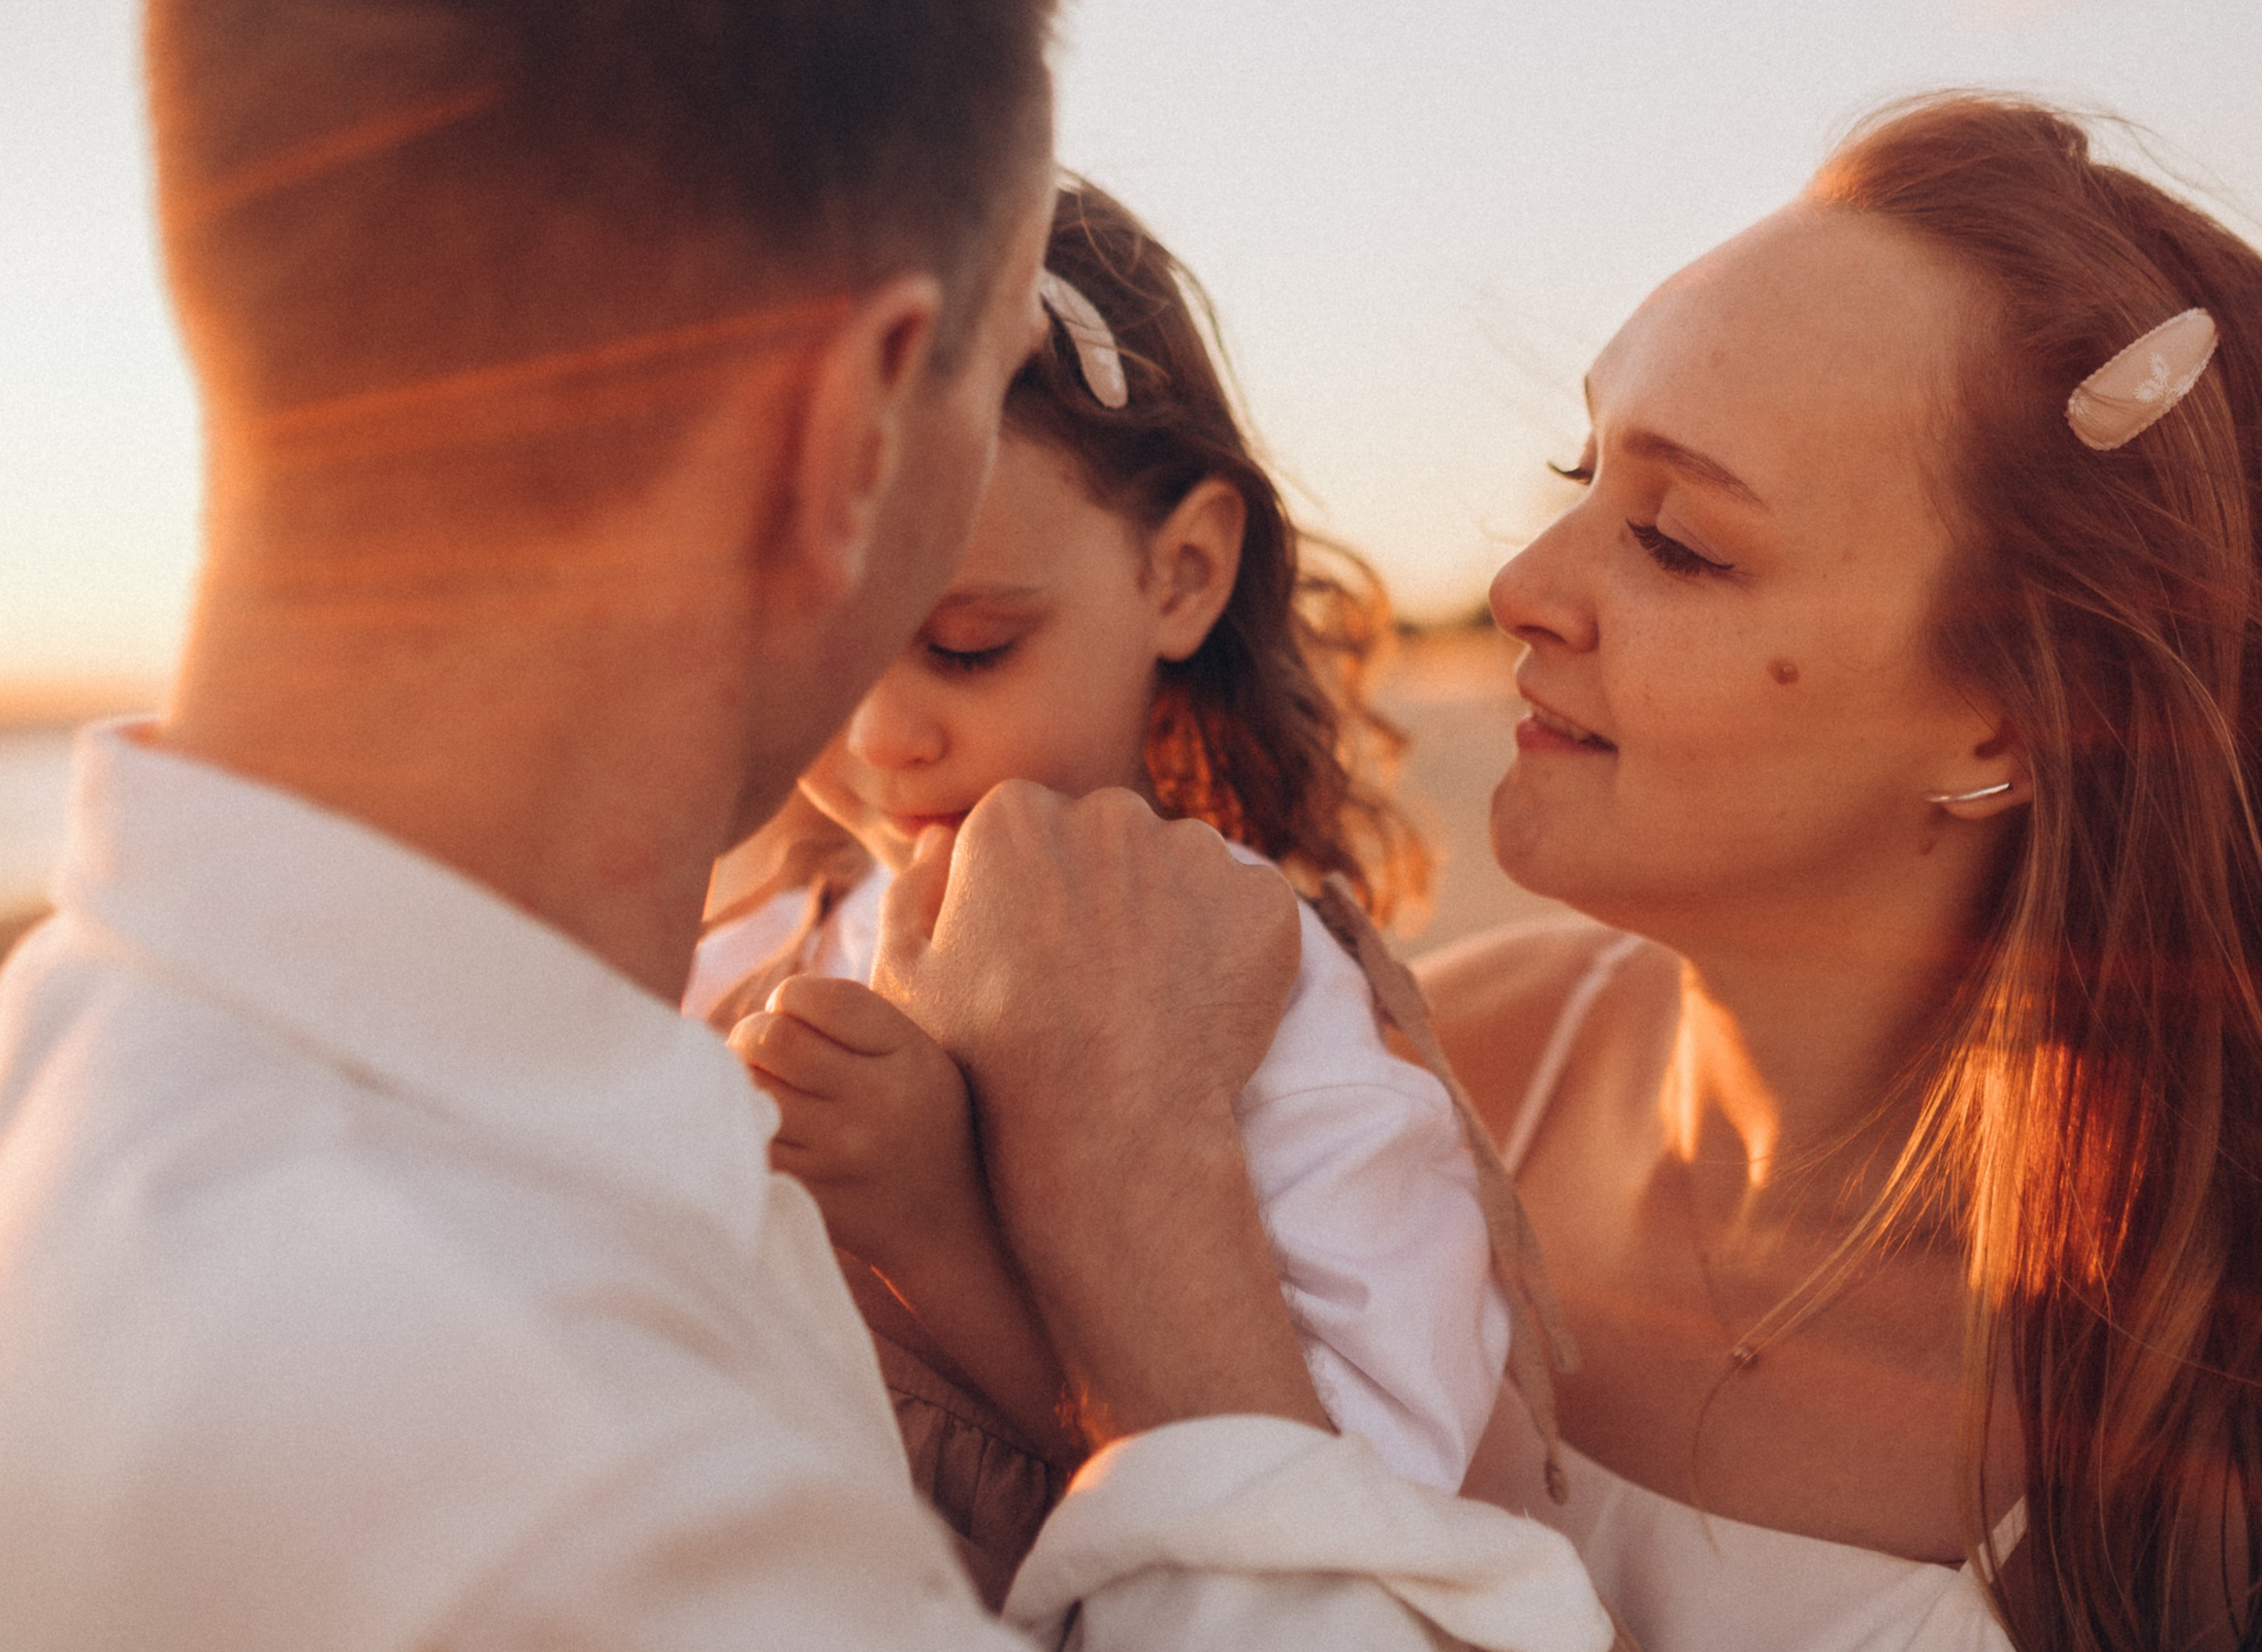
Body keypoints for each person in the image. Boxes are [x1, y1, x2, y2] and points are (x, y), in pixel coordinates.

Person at [0, 4, 1608, 1649]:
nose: (902, 728)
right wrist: (1108, 1207)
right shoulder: (591, 1513)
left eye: (975, 643)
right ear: (851, 433)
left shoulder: (84, 1093)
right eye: (986, 393)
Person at [1437, 94, 2262, 1651]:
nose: (1525, 588)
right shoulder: (1435, 1074)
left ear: (2017, 708)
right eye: (1581, 471)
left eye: (1677, 541)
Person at [686, 180, 1509, 1601]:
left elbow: (1353, 1534)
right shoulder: (761, 928)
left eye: (967, 646)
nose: (884, 736)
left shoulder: (1280, 1012)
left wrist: (937, 1226)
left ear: (1180, 573)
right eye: (820, 645)